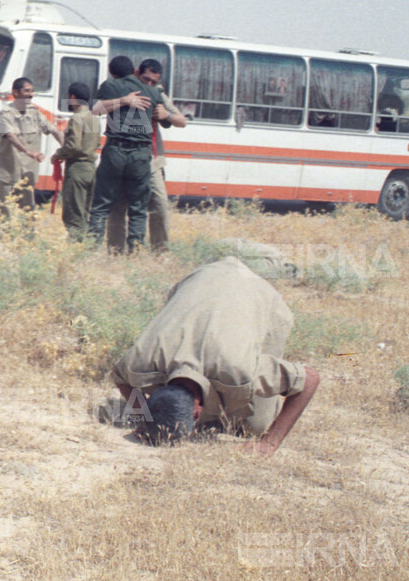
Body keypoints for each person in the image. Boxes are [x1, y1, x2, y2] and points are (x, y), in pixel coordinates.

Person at [111, 257, 320, 457]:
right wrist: (143, 416)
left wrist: (269, 443)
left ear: (196, 413)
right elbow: (119, 376)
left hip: (257, 293)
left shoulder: (240, 371)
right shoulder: (140, 362)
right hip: (199, 279)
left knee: (254, 426)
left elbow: (310, 379)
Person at [87, 56, 167, 251]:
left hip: (115, 150)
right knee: (138, 210)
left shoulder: (110, 86)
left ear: (111, 72)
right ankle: (135, 252)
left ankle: (91, 250)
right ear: (134, 70)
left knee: (101, 205)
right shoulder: (153, 92)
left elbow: (95, 110)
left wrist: (122, 101)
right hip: (140, 155)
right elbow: (165, 118)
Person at [106, 59, 187, 252]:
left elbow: (182, 121)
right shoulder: (120, 89)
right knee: (118, 208)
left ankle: (161, 251)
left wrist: (165, 115)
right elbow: (98, 108)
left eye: (153, 81)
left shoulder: (157, 94)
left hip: (150, 161)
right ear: (136, 73)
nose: (149, 84)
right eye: (146, 79)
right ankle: (115, 253)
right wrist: (124, 101)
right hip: (121, 157)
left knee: (159, 206)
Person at [0, 77, 63, 214]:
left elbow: (54, 130)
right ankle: (4, 236)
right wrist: (29, 152)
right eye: (27, 91)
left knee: (28, 211)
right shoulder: (6, 113)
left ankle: (29, 236)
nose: (30, 94)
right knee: (5, 212)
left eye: (32, 91)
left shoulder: (35, 113)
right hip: (7, 172)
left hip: (27, 174)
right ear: (16, 92)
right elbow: (11, 136)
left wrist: (65, 150)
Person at [51, 82, 101, 240]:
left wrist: (58, 155)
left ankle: (76, 247)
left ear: (73, 97)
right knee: (84, 212)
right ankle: (85, 244)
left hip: (77, 169)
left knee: (73, 215)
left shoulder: (76, 119)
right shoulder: (94, 118)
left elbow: (73, 146)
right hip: (90, 169)